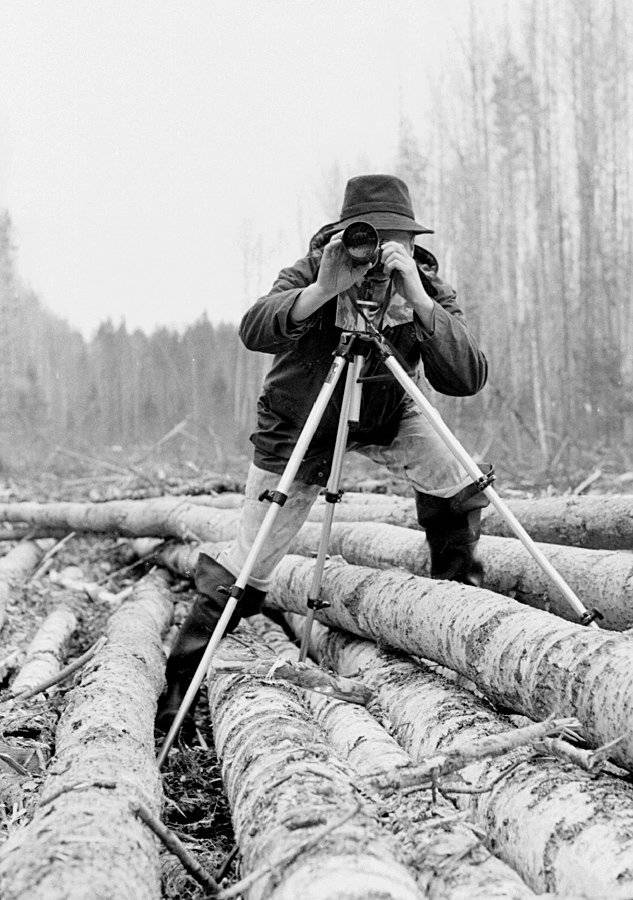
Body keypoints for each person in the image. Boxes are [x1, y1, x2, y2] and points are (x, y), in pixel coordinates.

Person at [157, 174, 490, 731]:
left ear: (412, 242)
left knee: (458, 483)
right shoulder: (314, 269)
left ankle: (454, 612)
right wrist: (322, 289)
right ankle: (178, 697)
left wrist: (420, 299)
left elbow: (467, 378)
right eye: (368, 237)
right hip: (299, 425)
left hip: (388, 414)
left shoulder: (424, 284)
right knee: (251, 565)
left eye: (394, 240)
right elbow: (254, 328)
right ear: (341, 235)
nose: (379, 252)